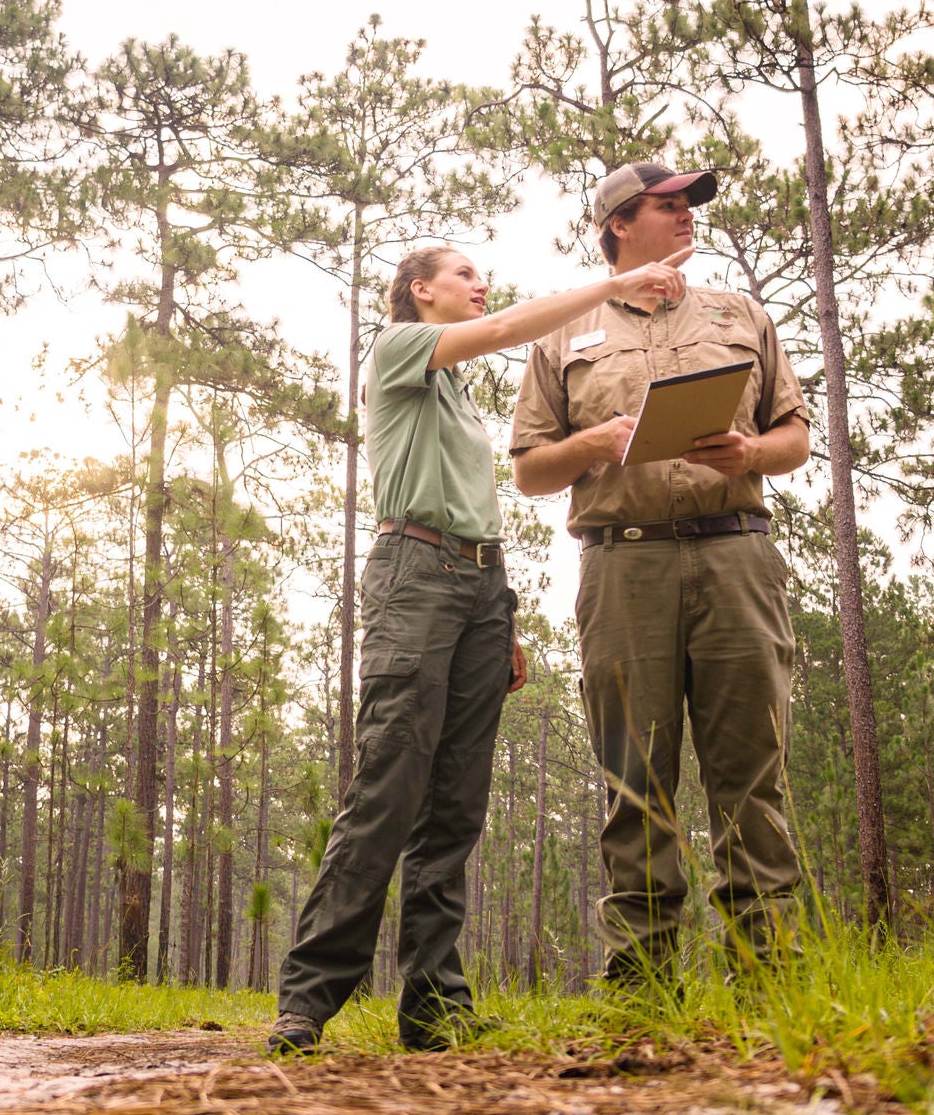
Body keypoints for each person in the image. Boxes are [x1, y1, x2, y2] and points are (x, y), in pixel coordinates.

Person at [269, 242, 692, 1055]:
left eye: (481, 276)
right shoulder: (396, 348)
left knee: (456, 805)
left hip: (477, 586)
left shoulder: (455, 393)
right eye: (464, 274)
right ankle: (308, 997)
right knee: (389, 781)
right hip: (413, 574)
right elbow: (503, 329)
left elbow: (473, 501)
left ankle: (434, 1003)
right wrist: (612, 285)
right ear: (419, 290)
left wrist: (503, 613)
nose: (480, 285)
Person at [508, 162, 810, 986]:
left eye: (689, 205)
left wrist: (749, 451)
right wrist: (592, 444)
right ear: (617, 225)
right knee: (634, 775)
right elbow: (531, 470)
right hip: (623, 564)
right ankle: (642, 983)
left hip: (736, 554)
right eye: (666, 205)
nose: (685, 217)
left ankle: (772, 978)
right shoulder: (563, 332)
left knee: (751, 770)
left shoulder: (739, 314)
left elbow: (795, 436)